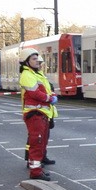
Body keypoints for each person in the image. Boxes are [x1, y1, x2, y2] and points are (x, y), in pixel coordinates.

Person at [18, 48, 57, 181]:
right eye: (34, 59)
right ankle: (35, 172)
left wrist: (51, 95)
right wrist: (50, 98)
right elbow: (35, 93)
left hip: (41, 113)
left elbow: (47, 89)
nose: (37, 62)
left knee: (40, 143)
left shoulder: (36, 74)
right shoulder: (27, 75)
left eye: (37, 59)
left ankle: (37, 168)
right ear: (26, 61)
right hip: (35, 113)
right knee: (37, 143)